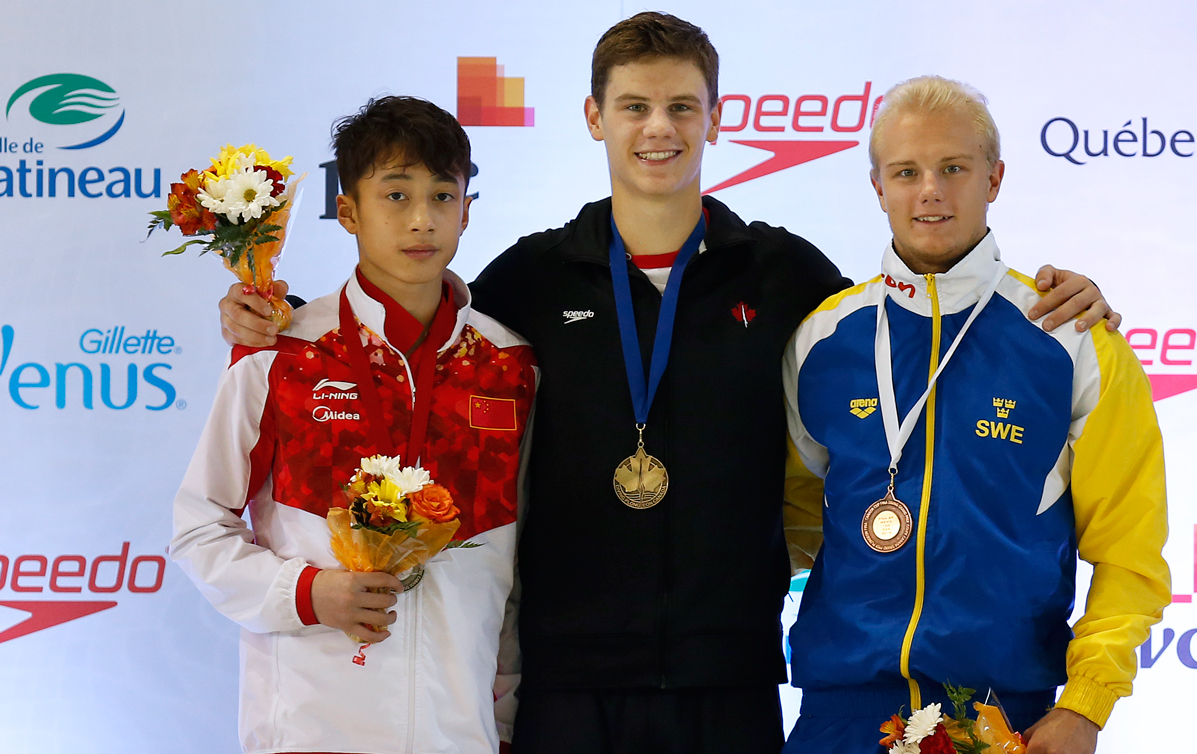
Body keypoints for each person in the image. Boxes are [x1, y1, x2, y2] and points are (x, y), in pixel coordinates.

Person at [217, 14, 1120, 753]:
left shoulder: (785, 275)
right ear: (593, 117)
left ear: (717, 119)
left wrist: (1077, 303)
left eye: (683, 107)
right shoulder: (530, 280)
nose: (660, 129)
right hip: (567, 683)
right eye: (636, 105)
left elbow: (916, 321)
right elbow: (422, 339)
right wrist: (282, 315)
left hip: (727, 678)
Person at [781, 76, 1171, 754]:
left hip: (999, 721)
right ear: (878, 186)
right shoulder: (822, 340)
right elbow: (788, 521)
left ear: (994, 178)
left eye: (953, 168)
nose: (930, 190)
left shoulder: (1072, 339)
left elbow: (1129, 555)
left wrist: (1086, 706)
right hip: (838, 718)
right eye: (906, 171)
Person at [171, 96, 537, 754]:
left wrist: (504, 724)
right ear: (348, 211)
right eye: (395, 195)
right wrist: (309, 594)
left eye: (443, 195)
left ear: (467, 209)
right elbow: (199, 530)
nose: (422, 220)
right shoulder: (281, 355)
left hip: (458, 734)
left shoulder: (510, 367)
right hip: (310, 727)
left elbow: (516, 570)